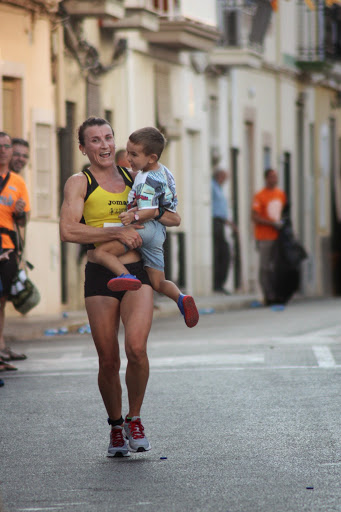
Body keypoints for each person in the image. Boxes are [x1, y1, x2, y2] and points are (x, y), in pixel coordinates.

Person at [59, 116, 181, 457]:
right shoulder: (78, 182)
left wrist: (152, 217)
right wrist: (113, 232)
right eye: (95, 140)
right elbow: (68, 231)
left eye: (108, 138)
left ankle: (135, 418)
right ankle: (115, 426)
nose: (104, 145)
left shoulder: (136, 174)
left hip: (137, 271)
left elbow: (169, 213)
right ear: (83, 148)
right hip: (100, 275)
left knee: (137, 350)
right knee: (108, 359)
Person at [92, 127, 199, 328]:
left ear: (151, 157)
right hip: (159, 232)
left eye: (133, 154)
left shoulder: (145, 179)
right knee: (158, 282)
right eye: (127, 151)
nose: (128, 158)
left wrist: (132, 215)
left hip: (147, 227)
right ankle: (181, 298)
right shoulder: (163, 171)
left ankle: (126, 276)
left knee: (101, 253)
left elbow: (149, 211)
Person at [0, 132, 30, 368]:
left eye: (6, 146)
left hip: (7, 247)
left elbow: (22, 221)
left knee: (2, 299)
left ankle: (1, 348)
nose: (4, 150)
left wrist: (20, 212)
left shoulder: (17, 182)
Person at [251, 168, 287, 305]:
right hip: (264, 236)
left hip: (278, 236)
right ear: (266, 179)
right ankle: (268, 295)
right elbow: (254, 216)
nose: (274, 179)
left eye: (275, 176)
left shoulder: (280, 194)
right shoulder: (260, 196)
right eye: (271, 177)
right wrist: (271, 223)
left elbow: (284, 211)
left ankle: (278, 293)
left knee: (276, 267)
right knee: (265, 267)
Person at [211, 169, 238, 293]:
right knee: (222, 252)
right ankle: (217, 283)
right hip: (215, 222)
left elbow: (221, 209)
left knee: (224, 253)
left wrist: (231, 224)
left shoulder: (219, 188)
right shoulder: (212, 186)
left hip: (221, 222)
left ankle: (220, 283)